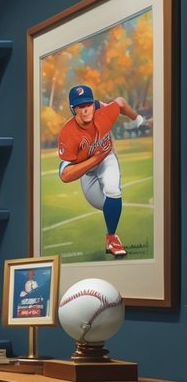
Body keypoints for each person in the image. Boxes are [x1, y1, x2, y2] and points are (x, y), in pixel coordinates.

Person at [57, 84, 146, 258]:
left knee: (113, 192)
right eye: (80, 106)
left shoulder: (104, 112)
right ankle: (110, 220)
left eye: (88, 104)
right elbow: (65, 175)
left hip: (107, 158)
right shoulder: (68, 133)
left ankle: (111, 238)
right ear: (73, 109)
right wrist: (94, 160)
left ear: (94, 104)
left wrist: (138, 120)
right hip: (87, 170)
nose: (85, 110)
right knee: (103, 204)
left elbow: (120, 103)